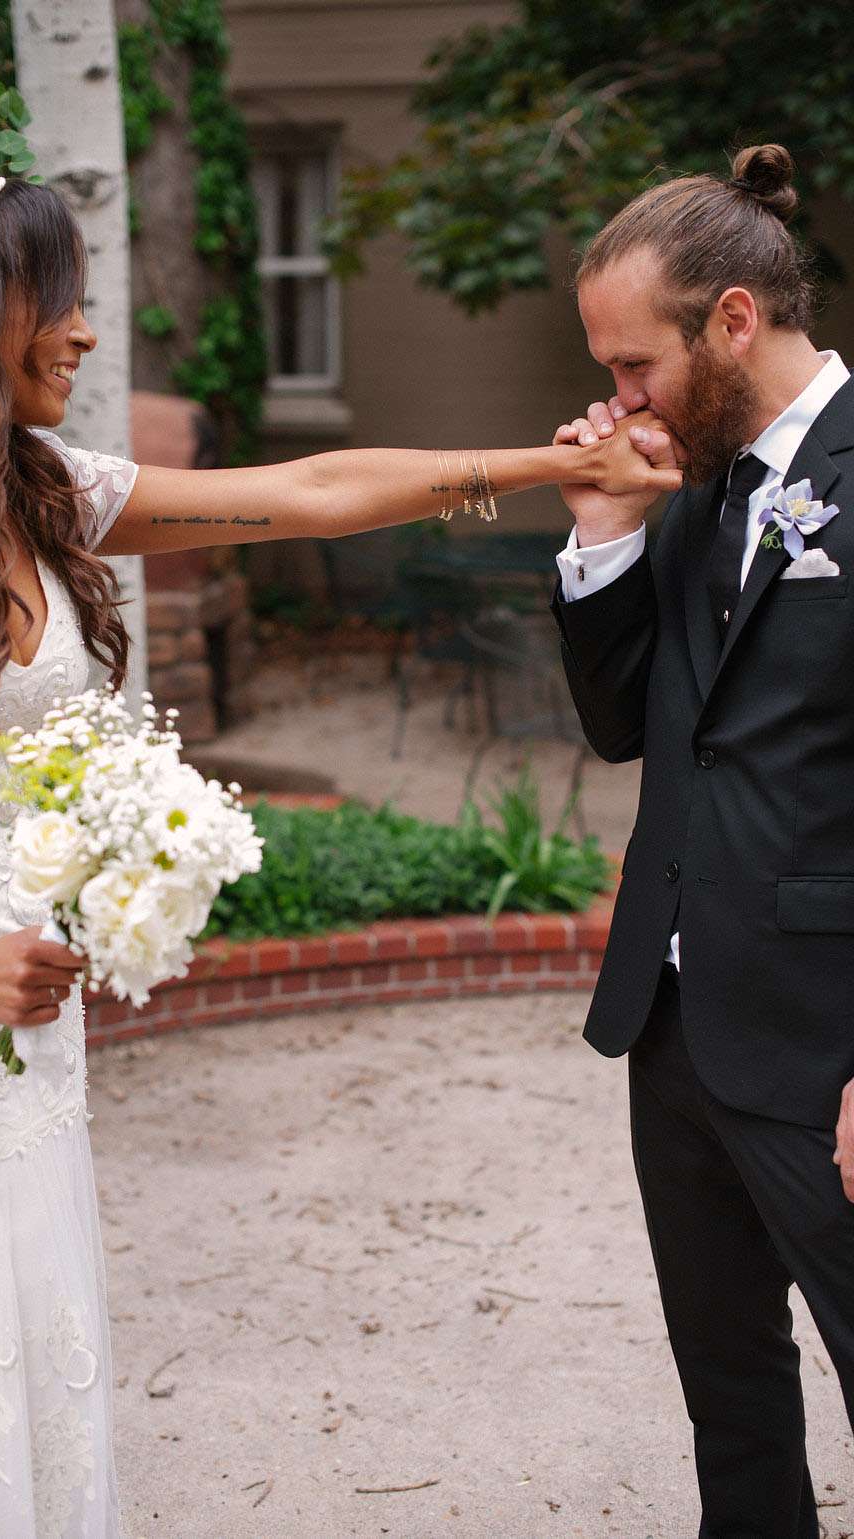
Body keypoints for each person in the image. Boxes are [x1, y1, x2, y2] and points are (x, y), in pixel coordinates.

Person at [0, 169, 677, 1536]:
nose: (86, 332)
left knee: (31, 1330)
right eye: (63, 300)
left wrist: (556, 466)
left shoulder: (40, 493)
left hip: (25, 1003)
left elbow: (313, 490)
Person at [550, 142, 854, 1536]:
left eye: (635, 366)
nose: (619, 399)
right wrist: (608, 529)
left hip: (824, 1037)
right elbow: (630, 727)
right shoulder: (699, 481)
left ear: (734, 320)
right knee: (729, 1397)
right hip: (672, 1025)